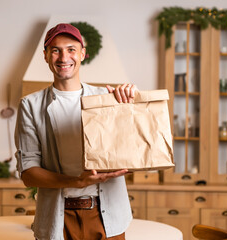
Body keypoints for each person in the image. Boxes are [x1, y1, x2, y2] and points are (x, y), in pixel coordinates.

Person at [15, 23, 136, 240]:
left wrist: (131, 104)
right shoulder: (30, 105)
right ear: (45, 56)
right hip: (58, 219)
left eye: (71, 49)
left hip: (108, 217)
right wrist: (76, 181)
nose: (64, 57)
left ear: (82, 54)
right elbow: (28, 173)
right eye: (55, 50)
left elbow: (134, 150)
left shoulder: (107, 99)